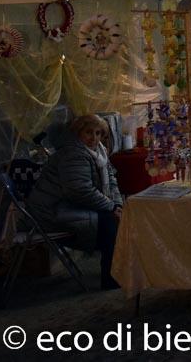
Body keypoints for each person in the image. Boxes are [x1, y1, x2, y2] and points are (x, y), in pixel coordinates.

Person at [26, 114, 124, 289]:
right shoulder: (73, 153)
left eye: (99, 133)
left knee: (117, 216)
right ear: (78, 132)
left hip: (69, 206)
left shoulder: (98, 151)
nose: (94, 138)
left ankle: (116, 271)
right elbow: (79, 191)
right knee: (109, 223)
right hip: (52, 211)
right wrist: (111, 207)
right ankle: (110, 278)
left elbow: (111, 178)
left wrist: (117, 205)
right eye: (89, 132)